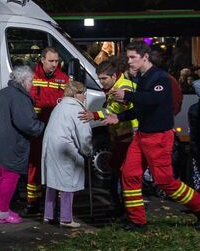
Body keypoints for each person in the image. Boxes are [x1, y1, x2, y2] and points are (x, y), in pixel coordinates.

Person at [104, 41, 200, 231]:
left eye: (133, 57)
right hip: (142, 136)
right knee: (129, 174)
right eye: (128, 57)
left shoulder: (160, 78)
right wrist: (118, 117)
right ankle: (137, 221)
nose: (129, 61)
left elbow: (153, 100)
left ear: (145, 57)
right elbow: (142, 107)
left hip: (158, 137)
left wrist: (127, 95)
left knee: (165, 181)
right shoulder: (143, 78)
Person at [0, 66, 46, 224]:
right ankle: (2, 213)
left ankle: (4, 208)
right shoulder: (19, 97)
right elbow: (27, 123)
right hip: (10, 144)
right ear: (23, 81)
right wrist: (43, 127)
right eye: (30, 81)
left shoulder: (2, 93)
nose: (32, 84)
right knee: (10, 177)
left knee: (3, 177)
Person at [79, 56, 137, 217]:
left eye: (104, 78)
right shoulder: (115, 86)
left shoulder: (123, 88)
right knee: (117, 173)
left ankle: (123, 211)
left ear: (113, 76)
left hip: (128, 138)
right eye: (99, 79)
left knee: (122, 175)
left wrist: (94, 114)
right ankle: (119, 208)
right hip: (120, 137)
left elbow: (114, 111)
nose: (101, 82)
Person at [41, 81, 92, 228]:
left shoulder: (59, 107)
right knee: (67, 184)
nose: (84, 97)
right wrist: (88, 151)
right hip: (66, 150)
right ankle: (66, 218)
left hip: (50, 148)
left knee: (53, 182)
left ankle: (49, 215)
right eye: (83, 93)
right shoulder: (78, 110)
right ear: (76, 94)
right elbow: (84, 136)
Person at [25, 48, 70, 214]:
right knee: (35, 164)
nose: (54, 64)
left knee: (56, 165)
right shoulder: (32, 78)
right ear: (42, 60)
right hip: (37, 129)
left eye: (56, 61)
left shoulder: (64, 79)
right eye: (51, 61)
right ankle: (32, 201)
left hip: (57, 129)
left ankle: (56, 203)